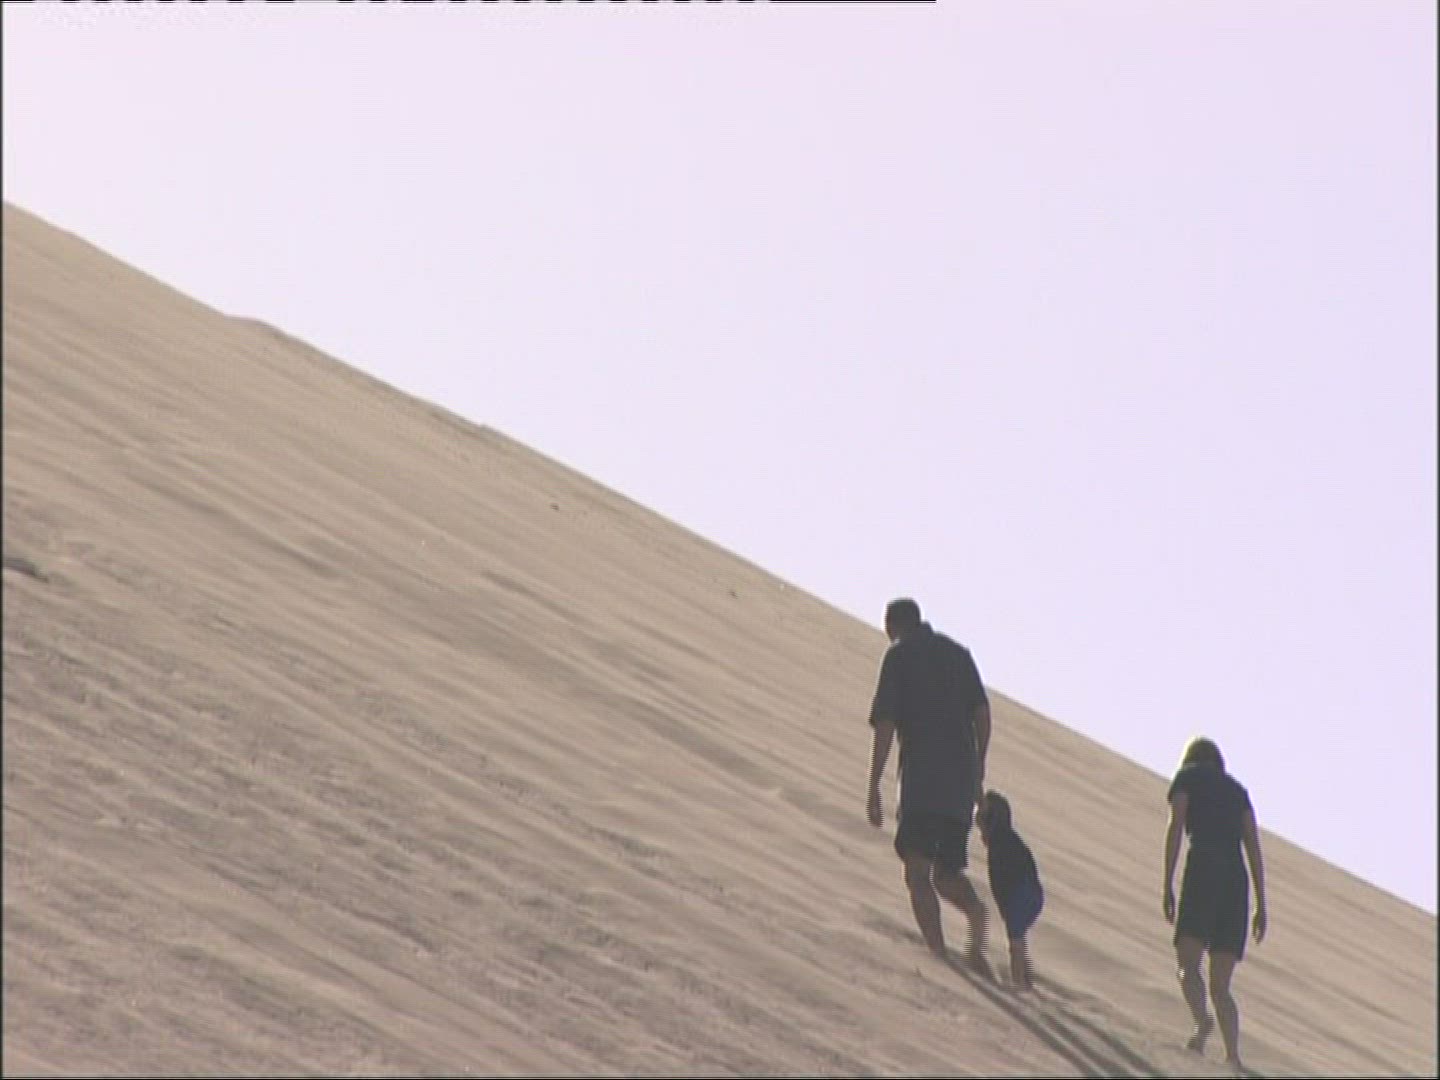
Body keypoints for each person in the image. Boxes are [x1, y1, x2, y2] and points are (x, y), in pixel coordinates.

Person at [865, 597, 992, 973]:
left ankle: (939, 957)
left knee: (918, 872)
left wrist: (874, 783)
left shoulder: (899, 656)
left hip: (922, 782)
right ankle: (975, 913)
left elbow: (885, 723)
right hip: (959, 786)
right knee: (947, 873)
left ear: (892, 626)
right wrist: (978, 767)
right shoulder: (958, 654)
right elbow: (983, 714)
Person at [1162, 736, 1268, 1075]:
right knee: (1221, 985)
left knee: (1188, 964)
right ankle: (1233, 1056)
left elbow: (1176, 825)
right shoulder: (1238, 792)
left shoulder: (1187, 777)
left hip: (1203, 872)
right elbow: (1253, 845)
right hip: (1236, 885)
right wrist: (1261, 904)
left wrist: (1167, 883)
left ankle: (1201, 1021)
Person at [977, 790, 1044, 990]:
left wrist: (1006, 906)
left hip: (1020, 895)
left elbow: (1002, 880)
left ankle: (1019, 984)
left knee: (1016, 942)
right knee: (1019, 939)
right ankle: (1024, 979)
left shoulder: (1000, 843)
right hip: (1030, 894)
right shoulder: (1008, 839)